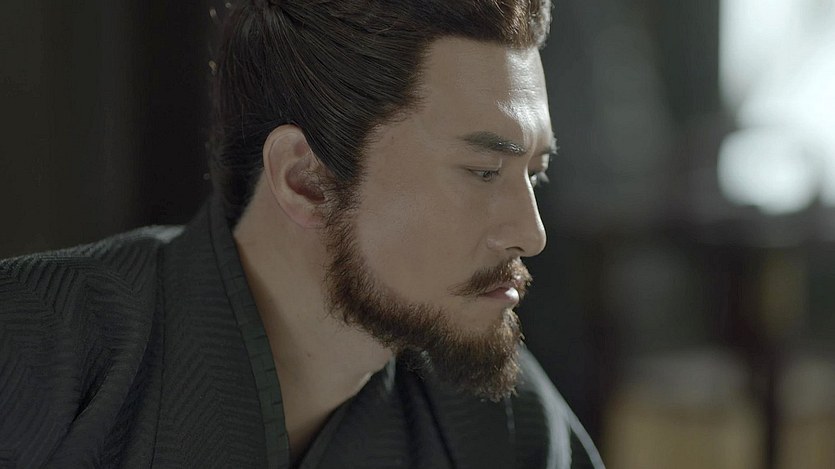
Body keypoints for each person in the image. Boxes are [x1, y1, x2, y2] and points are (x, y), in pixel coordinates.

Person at [0, 1, 604, 467]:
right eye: (483, 171)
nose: (531, 234)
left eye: (535, 174)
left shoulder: (499, 425)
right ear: (306, 180)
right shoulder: (35, 346)